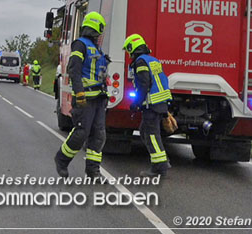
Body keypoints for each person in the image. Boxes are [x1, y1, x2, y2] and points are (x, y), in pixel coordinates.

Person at [54, 11, 109, 179]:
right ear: (94, 28)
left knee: (98, 135)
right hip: (85, 98)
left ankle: (93, 171)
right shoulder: (80, 45)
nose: (101, 34)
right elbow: (74, 69)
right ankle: (61, 160)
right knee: (81, 133)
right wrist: (79, 92)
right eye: (100, 30)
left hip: (98, 98)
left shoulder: (97, 48)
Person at [122, 34, 172, 177]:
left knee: (151, 135)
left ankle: (159, 167)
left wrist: (136, 103)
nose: (129, 54)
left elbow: (144, 84)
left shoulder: (140, 62)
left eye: (128, 50)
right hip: (160, 102)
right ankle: (163, 160)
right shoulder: (153, 60)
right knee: (144, 131)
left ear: (132, 48)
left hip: (152, 104)